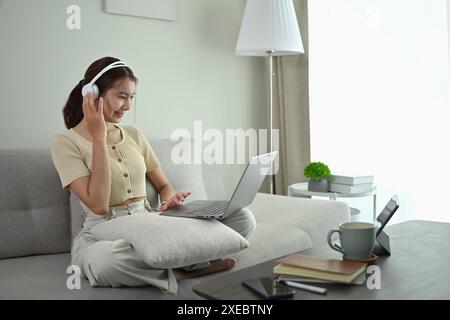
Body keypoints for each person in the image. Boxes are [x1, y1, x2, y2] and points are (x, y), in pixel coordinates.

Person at [50, 56, 256, 294]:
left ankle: (173, 261)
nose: (128, 106)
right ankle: (185, 269)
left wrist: (169, 201)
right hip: (103, 231)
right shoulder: (64, 142)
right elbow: (97, 205)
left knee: (242, 218)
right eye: (121, 96)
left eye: (132, 97)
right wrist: (99, 137)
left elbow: (164, 185)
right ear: (93, 94)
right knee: (106, 263)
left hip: (149, 221)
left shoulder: (134, 134)